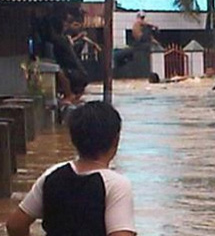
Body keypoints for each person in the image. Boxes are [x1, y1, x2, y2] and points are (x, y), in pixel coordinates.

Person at [5, 101, 136, 236]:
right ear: (115, 140)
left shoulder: (52, 175)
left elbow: (15, 225)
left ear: (73, 139)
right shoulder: (116, 185)